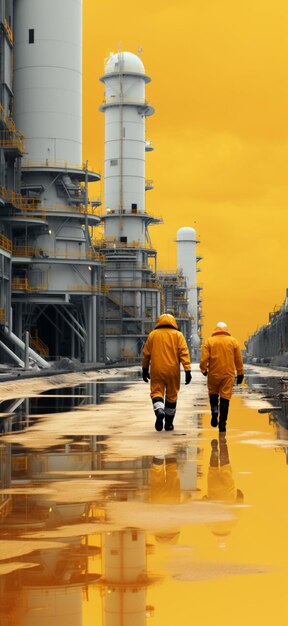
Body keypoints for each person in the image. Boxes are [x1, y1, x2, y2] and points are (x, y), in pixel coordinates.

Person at [142, 313, 192, 432]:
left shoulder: (153, 335)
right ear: (173, 323)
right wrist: (187, 370)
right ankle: (169, 424)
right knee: (171, 396)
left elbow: (146, 354)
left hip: (157, 369)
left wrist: (144, 369)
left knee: (157, 392)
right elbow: (184, 353)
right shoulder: (178, 335)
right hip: (173, 370)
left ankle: (159, 411)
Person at [199, 321, 244, 432]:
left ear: (216, 329)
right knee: (225, 397)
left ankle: (214, 410)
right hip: (228, 374)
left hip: (213, 373)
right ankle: (222, 424)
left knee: (213, 393)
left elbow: (204, 359)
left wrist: (204, 369)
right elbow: (238, 359)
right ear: (226, 329)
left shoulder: (209, 341)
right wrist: (240, 373)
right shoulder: (233, 341)